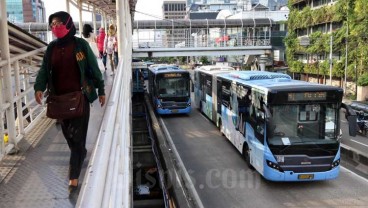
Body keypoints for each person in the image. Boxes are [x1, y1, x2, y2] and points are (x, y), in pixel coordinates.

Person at [33, 11, 106, 194]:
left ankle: (73, 177)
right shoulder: (51, 48)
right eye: (52, 24)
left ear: (68, 24)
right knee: (70, 138)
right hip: (59, 101)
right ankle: (79, 153)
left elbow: (93, 68)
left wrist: (102, 90)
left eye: (58, 23)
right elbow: (44, 70)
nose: (55, 27)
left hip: (80, 97)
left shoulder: (80, 45)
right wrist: (38, 87)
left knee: (78, 137)